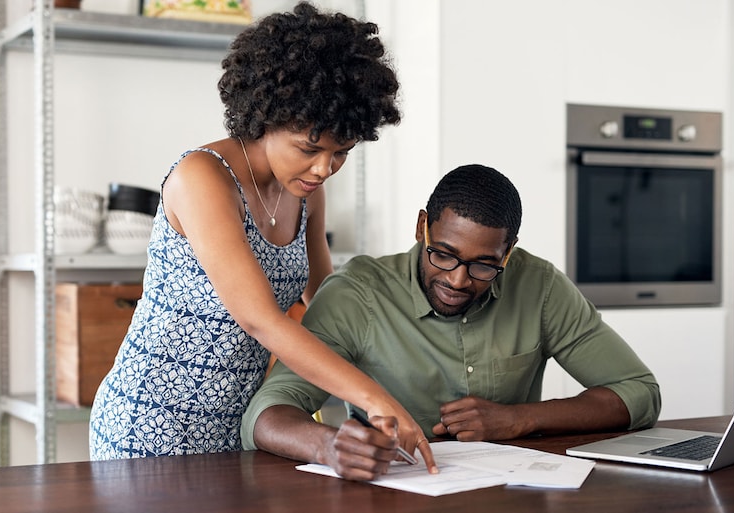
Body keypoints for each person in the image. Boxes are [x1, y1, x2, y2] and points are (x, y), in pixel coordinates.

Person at [89, 1, 434, 466]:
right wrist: (374, 397)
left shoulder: (307, 192)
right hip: (153, 422)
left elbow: (325, 303)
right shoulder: (203, 178)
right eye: (310, 148)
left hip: (241, 422)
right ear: (264, 115)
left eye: (342, 152)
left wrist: (388, 378)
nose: (324, 168)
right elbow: (261, 319)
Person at [241, 164, 661, 481]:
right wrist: (327, 446)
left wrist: (520, 418)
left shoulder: (540, 286)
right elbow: (265, 414)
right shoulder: (358, 293)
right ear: (423, 226)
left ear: (508, 252)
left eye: (483, 265)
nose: (457, 280)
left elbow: (639, 393)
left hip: (509, 495)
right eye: (442, 254)